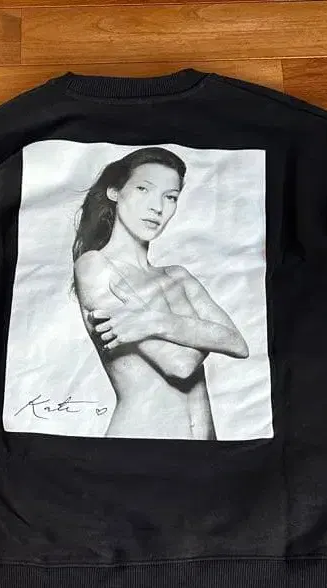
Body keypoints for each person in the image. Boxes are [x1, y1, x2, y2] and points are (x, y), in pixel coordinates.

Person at [71, 146, 249, 440]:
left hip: (205, 449)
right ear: (115, 192)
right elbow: (180, 365)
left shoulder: (178, 276)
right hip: (139, 444)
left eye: (171, 197)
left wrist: (152, 321)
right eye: (144, 189)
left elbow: (238, 344)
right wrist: (208, 333)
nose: (157, 207)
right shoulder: (94, 265)